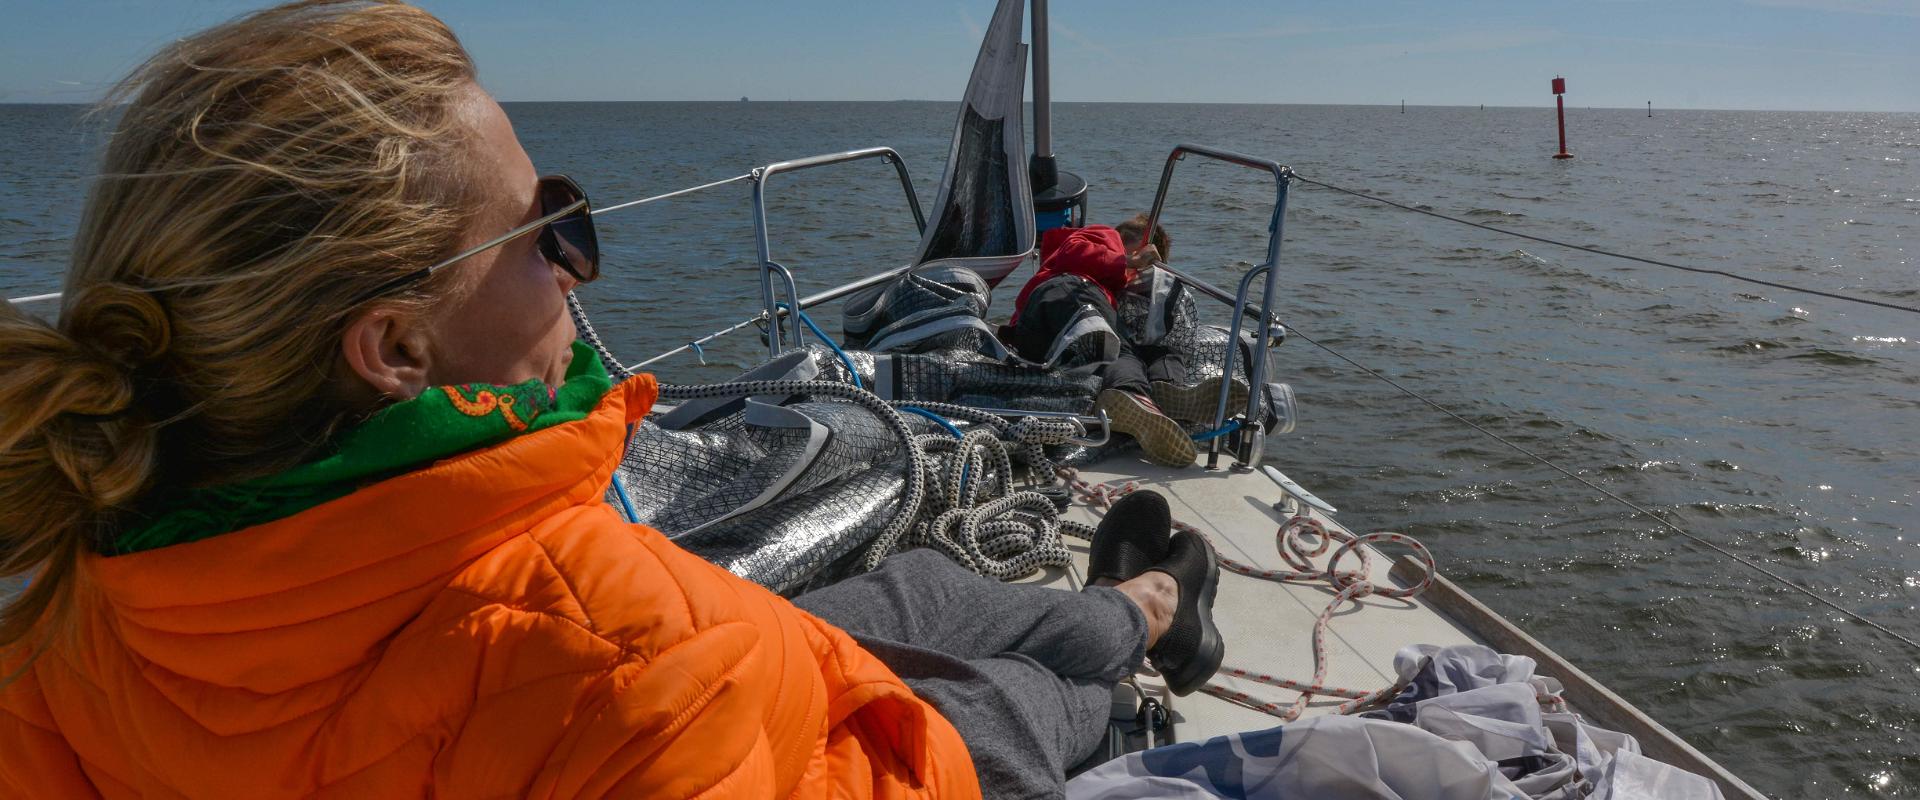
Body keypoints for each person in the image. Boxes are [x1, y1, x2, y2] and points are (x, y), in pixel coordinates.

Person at [0, 2, 1226, 798]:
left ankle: (1129, 612)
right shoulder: (604, 647)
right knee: (1005, 692)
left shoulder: (53, 642)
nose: (581, 257)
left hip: (718, 677)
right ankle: (1140, 623)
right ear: (393, 349)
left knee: (920, 592)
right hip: (867, 754)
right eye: (546, 231)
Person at [1003, 215, 1240, 467]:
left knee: (1127, 351)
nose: (1135, 274)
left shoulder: (1108, 288)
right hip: (1063, 295)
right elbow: (1074, 252)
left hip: (1049, 337)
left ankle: (1164, 388)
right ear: (1137, 244)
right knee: (1118, 348)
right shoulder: (1104, 237)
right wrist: (1127, 260)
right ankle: (1132, 394)